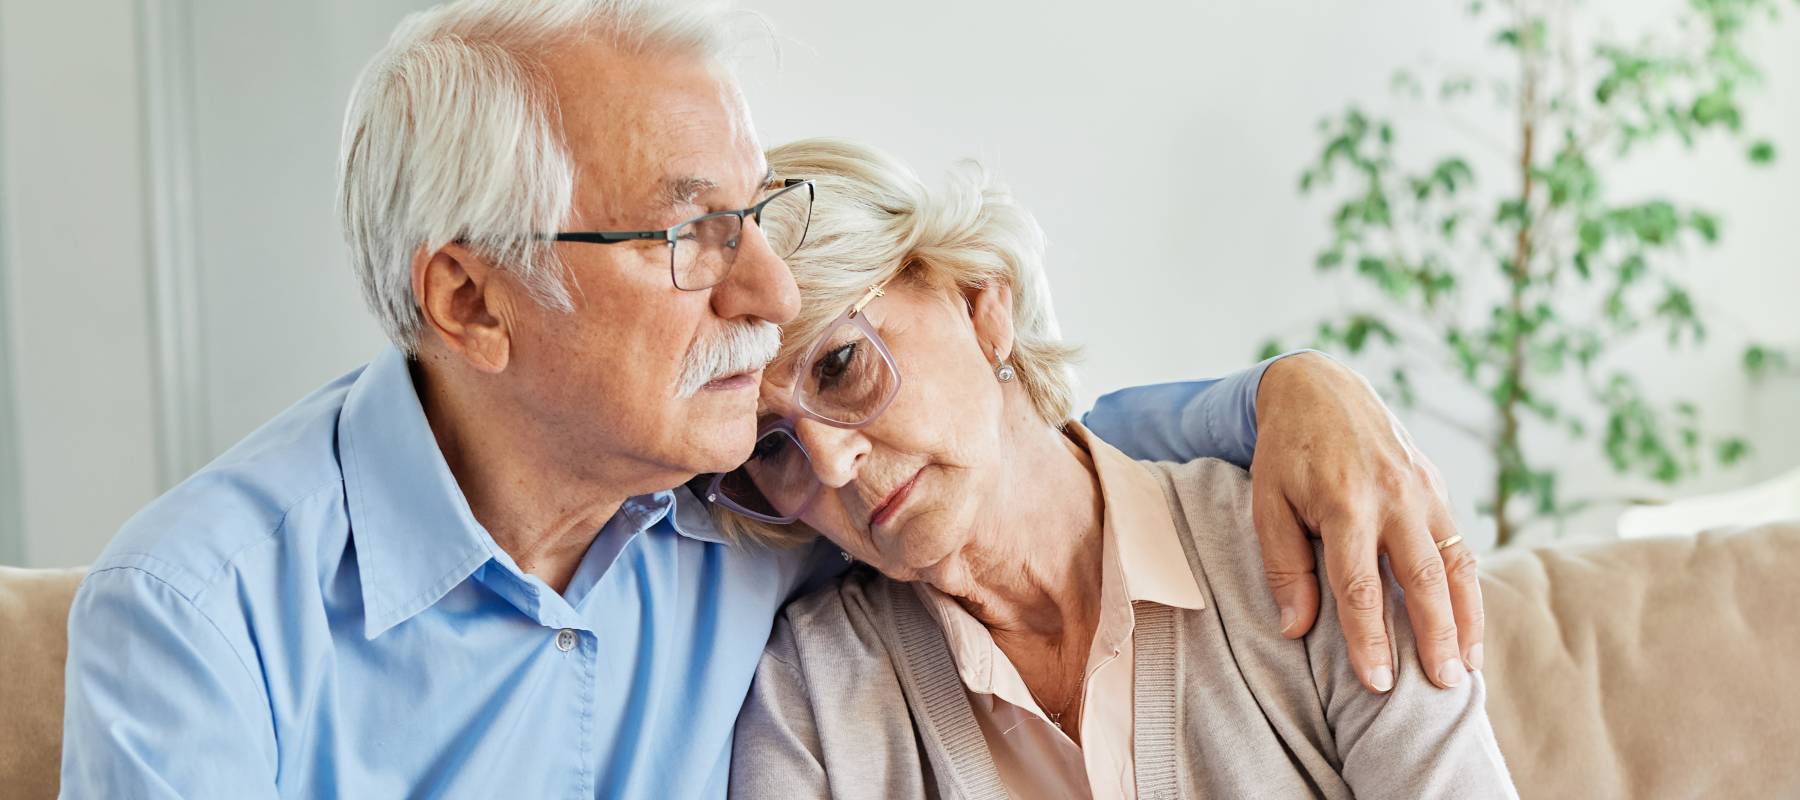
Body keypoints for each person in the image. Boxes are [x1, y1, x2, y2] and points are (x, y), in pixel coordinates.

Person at [59, 1, 1481, 797]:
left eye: (754, 219)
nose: (764, 288)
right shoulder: (200, 613)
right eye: (690, 235)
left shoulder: (742, 492)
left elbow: (1029, 468)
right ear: (472, 301)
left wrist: (1291, 395)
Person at [721, 138, 1515, 799]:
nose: (831, 464)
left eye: (840, 365)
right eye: (771, 447)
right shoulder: (808, 697)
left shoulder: (1310, 545)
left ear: (979, 302)